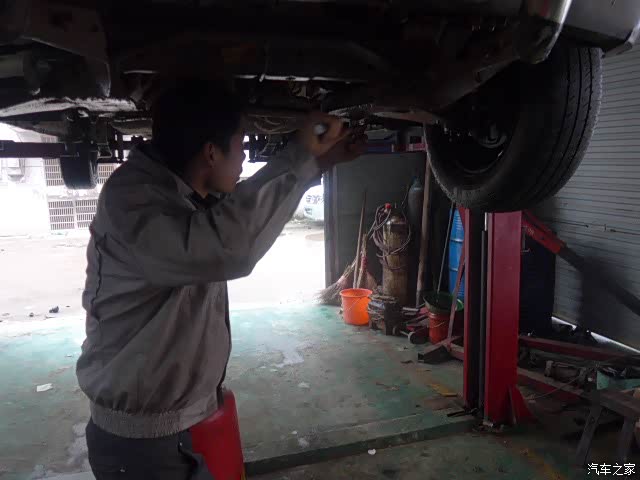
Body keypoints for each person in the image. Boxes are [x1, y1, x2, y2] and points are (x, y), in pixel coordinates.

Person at [75, 79, 367, 479]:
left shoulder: (171, 190)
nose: (245, 159)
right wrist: (299, 155)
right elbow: (227, 245)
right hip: (141, 446)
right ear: (210, 152)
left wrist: (319, 163)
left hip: (164, 431)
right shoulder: (135, 200)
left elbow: (231, 211)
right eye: (241, 145)